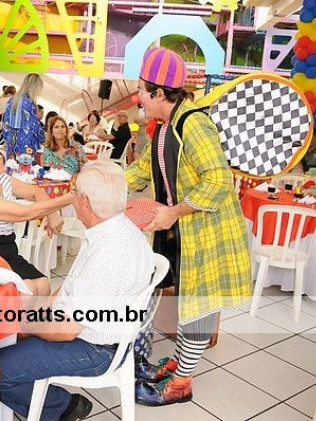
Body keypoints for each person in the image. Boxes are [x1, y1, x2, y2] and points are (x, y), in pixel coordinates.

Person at [125, 48, 251, 406]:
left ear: (159, 93)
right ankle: (180, 364)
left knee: (197, 306)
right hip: (180, 231)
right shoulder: (164, 126)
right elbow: (143, 170)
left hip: (205, 231)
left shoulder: (193, 124)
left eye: (141, 90)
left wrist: (175, 212)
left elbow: (219, 180)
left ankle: (182, 383)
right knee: (183, 300)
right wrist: (102, 182)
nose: (138, 97)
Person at [0, 161, 155, 420]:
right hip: (91, 332)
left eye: (74, 193)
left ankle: (64, 407)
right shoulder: (113, 228)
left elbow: (65, 330)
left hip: (95, 349)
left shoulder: (108, 255)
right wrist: (36, 314)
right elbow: (70, 286)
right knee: (9, 335)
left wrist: (25, 326)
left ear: (85, 202)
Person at [0, 137, 72, 296]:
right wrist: (71, 197)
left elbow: (36, 192)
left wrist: (52, 215)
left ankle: (30, 314)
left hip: (7, 249)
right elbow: (25, 212)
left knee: (43, 284)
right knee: (28, 289)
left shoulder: (2, 179)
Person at [2, 73, 45, 161]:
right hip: (26, 140)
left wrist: (6, 139)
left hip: (12, 138)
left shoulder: (12, 100)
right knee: (25, 166)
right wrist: (43, 138)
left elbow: (5, 123)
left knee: (12, 164)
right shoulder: (29, 102)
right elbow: (34, 125)